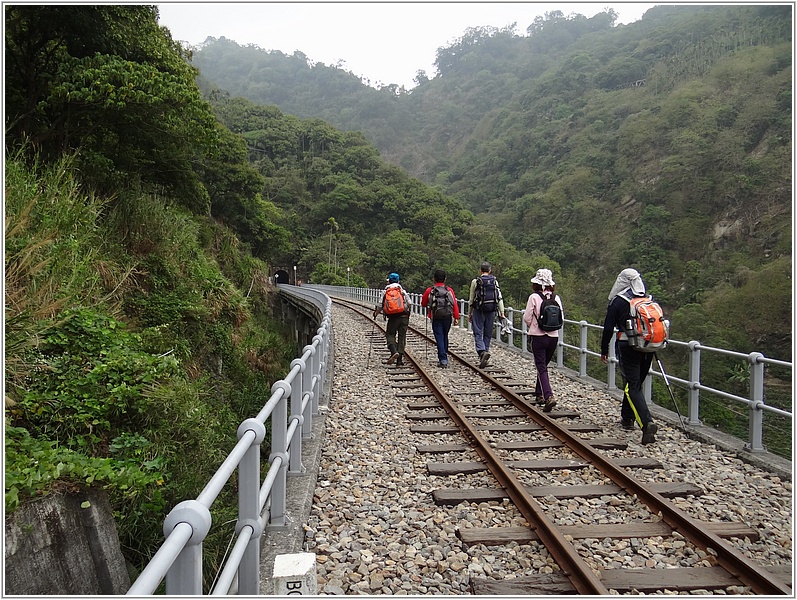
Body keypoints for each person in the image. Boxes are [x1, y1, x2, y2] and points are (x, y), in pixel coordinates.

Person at [600, 268, 658, 445]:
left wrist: (604, 349)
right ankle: (627, 418)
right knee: (635, 384)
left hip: (627, 346)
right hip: (648, 347)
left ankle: (646, 423)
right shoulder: (647, 299)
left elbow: (609, 327)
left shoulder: (618, 301)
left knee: (631, 386)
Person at [523, 268, 563, 413]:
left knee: (541, 367)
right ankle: (539, 393)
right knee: (544, 366)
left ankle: (548, 396)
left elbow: (527, 317)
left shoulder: (534, 297)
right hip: (553, 337)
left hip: (538, 337)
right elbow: (561, 318)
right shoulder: (556, 298)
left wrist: (533, 326)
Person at [467, 261, 506, 368]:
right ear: (490, 271)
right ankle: (485, 351)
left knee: (478, 332)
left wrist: (469, 313)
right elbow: (499, 297)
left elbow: (471, 299)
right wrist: (502, 312)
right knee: (488, 333)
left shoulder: (476, 281)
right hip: (491, 310)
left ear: (480, 270)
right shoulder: (494, 281)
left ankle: (481, 352)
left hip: (478, 310)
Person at [420, 269, 460, 368]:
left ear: (434, 279)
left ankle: (443, 359)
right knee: (445, 335)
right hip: (447, 316)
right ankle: (444, 354)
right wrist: (456, 317)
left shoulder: (430, 290)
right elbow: (454, 303)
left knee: (439, 337)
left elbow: (423, 303)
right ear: (445, 279)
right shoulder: (449, 290)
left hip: (436, 316)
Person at [373, 272, 412, 366]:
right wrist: (404, 308)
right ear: (398, 281)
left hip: (393, 318)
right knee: (402, 337)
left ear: (389, 281)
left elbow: (379, 305)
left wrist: (375, 314)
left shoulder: (385, 291)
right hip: (404, 317)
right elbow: (410, 303)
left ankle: (394, 351)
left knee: (390, 334)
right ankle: (399, 361)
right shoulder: (402, 291)